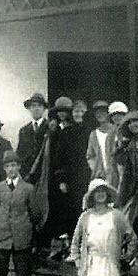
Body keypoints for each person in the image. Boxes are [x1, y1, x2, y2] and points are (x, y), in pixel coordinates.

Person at [70, 179, 137, 276]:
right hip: (90, 266)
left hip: (110, 265)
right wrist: (78, 262)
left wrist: (126, 258)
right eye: (97, 192)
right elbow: (75, 243)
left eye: (103, 191)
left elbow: (132, 239)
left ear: (107, 194)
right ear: (92, 196)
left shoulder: (117, 216)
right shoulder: (85, 217)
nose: (100, 194)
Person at [0, 150, 41, 276]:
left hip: (22, 239)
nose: (11, 169)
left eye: (13, 165)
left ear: (19, 167)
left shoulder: (28, 189)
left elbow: (35, 214)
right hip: (1, 238)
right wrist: (1, 225)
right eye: (7, 166)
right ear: (4, 169)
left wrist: (25, 229)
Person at [47, 97, 85, 257]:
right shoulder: (61, 131)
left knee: (80, 207)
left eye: (80, 112)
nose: (76, 114)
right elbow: (58, 156)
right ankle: (66, 246)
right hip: (66, 176)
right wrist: (61, 178)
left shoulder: (87, 130)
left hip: (82, 175)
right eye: (74, 111)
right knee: (66, 209)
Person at [114, 110, 138, 220]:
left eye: (135, 121)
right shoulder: (131, 144)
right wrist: (122, 144)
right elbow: (121, 161)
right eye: (129, 123)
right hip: (135, 187)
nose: (132, 125)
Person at [17, 92, 51, 178]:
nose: (36, 109)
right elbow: (20, 154)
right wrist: (22, 173)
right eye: (33, 106)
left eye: (39, 106)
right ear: (29, 109)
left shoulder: (50, 128)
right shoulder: (23, 130)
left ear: (44, 109)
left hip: (45, 175)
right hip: (27, 175)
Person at [85, 101, 118, 186]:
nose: (100, 115)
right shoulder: (93, 134)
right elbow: (90, 156)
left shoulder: (116, 130)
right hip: (100, 175)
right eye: (97, 113)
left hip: (116, 173)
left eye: (103, 112)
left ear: (108, 114)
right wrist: (96, 168)